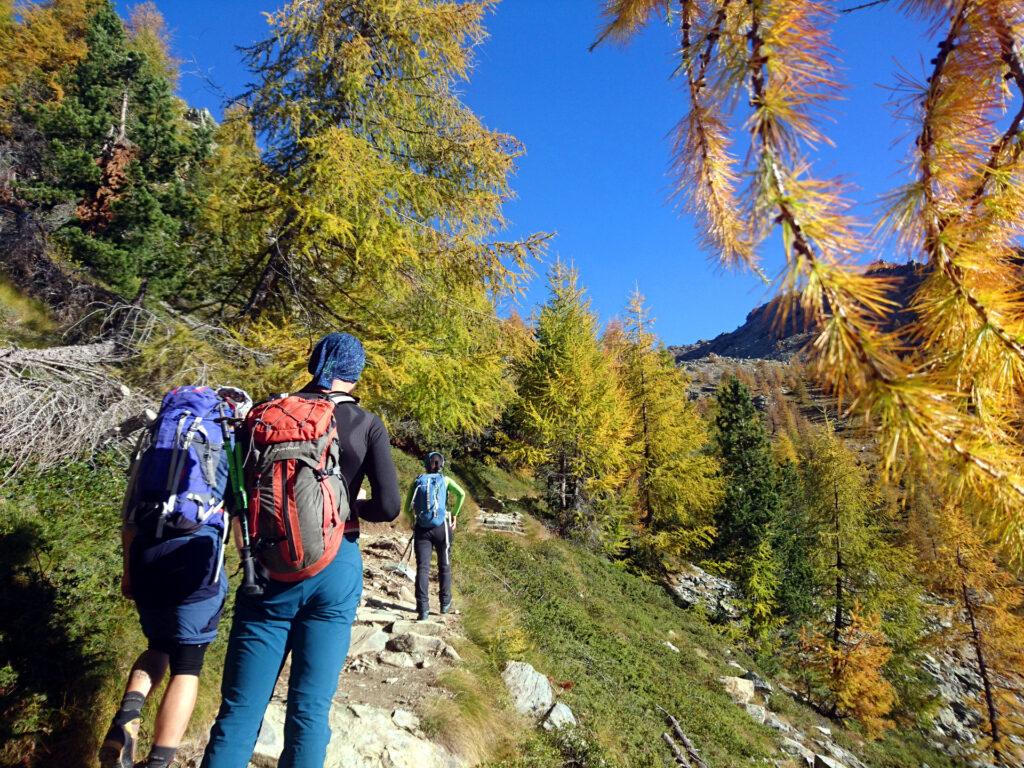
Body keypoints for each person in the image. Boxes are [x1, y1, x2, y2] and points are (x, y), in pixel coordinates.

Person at [200, 332, 401, 768]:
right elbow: (389, 506)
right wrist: (347, 505)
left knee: (238, 712)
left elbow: (235, 491)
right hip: (335, 564)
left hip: (268, 568)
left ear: (314, 364)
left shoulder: (266, 414)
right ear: (356, 372)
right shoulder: (366, 424)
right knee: (309, 711)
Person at [101, 387, 239, 768]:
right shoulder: (224, 444)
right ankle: (159, 760)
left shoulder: (154, 447)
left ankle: (126, 720)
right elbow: (238, 515)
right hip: (194, 561)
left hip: (147, 554)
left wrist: (129, 573)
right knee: (188, 662)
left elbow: (129, 516)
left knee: (158, 644)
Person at [406, 451, 466, 620]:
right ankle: (445, 605)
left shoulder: (418, 480)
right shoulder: (445, 480)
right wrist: (454, 514)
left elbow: (406, 508)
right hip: (442, 528)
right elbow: (461, 494)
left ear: (426, 464)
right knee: (444, 566)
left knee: (423, 568)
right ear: (442, 464)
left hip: (422, 529)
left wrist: (412, 520)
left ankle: (423, 609)